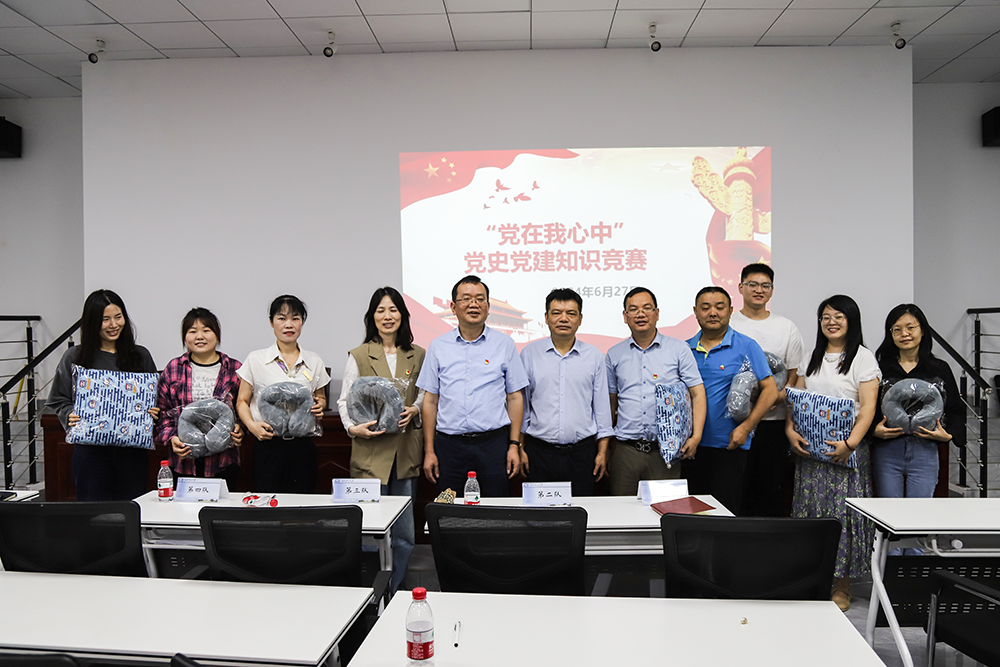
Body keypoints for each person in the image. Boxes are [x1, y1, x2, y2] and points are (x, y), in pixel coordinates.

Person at [785, 294, 880, 612]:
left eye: (839, 316)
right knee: (811, 514)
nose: (831, 322)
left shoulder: (863, 358)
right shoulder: (812, 356)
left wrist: (849, 444)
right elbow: (796, 399)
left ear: (851, 321)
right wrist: (790, 430)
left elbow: (868, 408)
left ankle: (841, 585)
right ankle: (812, 578)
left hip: (845, 454)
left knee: (842, 518)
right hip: (811, 456)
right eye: (825, 317)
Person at [337, 287, 425, 592]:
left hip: (405, 452)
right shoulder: (359, 355)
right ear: (372, 317)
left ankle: (396, 589)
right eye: (381, 310)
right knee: (369, 529)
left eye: (393, 310)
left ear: (403, 315)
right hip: (370, 451)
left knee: (404, 534)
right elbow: (344, 400)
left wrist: (415, 408)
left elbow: (425, 394)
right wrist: (353, 428)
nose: (388, 316)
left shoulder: (418, 354)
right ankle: (370, 595)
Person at [418, 276, 529, 498]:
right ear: (453, 307)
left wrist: (514, 445)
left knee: (494, 509)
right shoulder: (438, 347)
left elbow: (515, 397)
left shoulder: (504, 344)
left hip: (493, 445)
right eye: (466, 299)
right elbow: (430, 401)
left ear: (488, 307)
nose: (473, 304)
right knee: (450, 510)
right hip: (449, 447)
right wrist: (429, 450)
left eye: (480, 299)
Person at [47, 289, 158, 501]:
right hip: (90, 454)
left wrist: (154, 412)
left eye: (118, 317)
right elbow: (59, 399)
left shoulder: (140, 356)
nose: (113, 325)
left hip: (132, 453)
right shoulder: (75, 356)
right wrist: (69, 413)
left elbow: (155, 400)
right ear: (92, 322)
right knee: (93, 511)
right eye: (105, 319)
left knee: (131, 509)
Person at [684, 286, 777, 516]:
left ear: (730, 310)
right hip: (690, 448)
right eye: (705, 308)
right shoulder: (684, 349)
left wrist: (745, 428)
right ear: (695, 312)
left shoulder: (746, 346)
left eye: (719, 307)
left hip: (730, 446)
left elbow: (770, 391)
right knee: (690, 516)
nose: (712, 313)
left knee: (724, 516)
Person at [606, 287, 706, 497]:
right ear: (625, 316)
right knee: (620, 509)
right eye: (633, 309)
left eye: (647, 308)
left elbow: (697, 393)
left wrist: (696, 436)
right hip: (625, 451)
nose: (640, 314)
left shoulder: (678, 349)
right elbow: (610, 402)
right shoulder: (614, 354)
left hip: (666, 450)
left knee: (665, 510)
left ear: (657, 313)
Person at [730, 263, 808, 516]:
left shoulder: (786, 327)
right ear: (741, 287)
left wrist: (776, 396)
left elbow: (794, 373)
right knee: (735, 489)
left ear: (772, 290)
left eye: (765, 285)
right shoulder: (728, 323)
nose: (759, 290)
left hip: (773, 423)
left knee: (769, 490)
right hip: (734, 422)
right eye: (752, 284)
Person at [519, 288, 614, 496]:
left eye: (571, 313)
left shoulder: (593, 356)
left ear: (580, 319)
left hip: (582, 453)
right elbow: (523, 406)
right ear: (546, 317)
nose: (563, 319)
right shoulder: (529, 354)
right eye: (556, 313)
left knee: (581, 510)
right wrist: (519, 447)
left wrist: (602, 452)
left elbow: (601, 409)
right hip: (539, 452)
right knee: (540, 513)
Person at [236, 295, 330, 493]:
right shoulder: (256, 359)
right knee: (268, 503)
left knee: (302, 504)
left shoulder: (314, 361)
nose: (289, 324)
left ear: (302, 322)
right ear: (272, 322)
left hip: (303, 445)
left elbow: (321, 398)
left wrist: (319, 406)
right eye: (282, 318)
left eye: (295, 318)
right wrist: (252, 426)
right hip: (268, 444)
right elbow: (242, 401)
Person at [872, 304, 964, 503]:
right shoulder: (879, 369)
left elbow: (956, 409)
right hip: (887, 450)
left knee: (920, 510)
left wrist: (948, 435)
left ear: (922, 330)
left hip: (925, 449)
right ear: (890, 334)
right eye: (897, 329)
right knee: (888, 510)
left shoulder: (939, 369)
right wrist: (874, 431)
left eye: (910, 327)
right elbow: (867, 407)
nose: (904, 334)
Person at [155, 308, 244, 490]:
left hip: (223, 461)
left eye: (206, 330)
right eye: (192, 331)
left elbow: (245, 408)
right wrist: (172, 438)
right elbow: (163, 413)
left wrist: (241, 429)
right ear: (185, 337)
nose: (199, 336)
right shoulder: (173, 368)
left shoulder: (235, 369)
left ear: (216, 334)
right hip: (184, 461)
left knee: (221, 508)